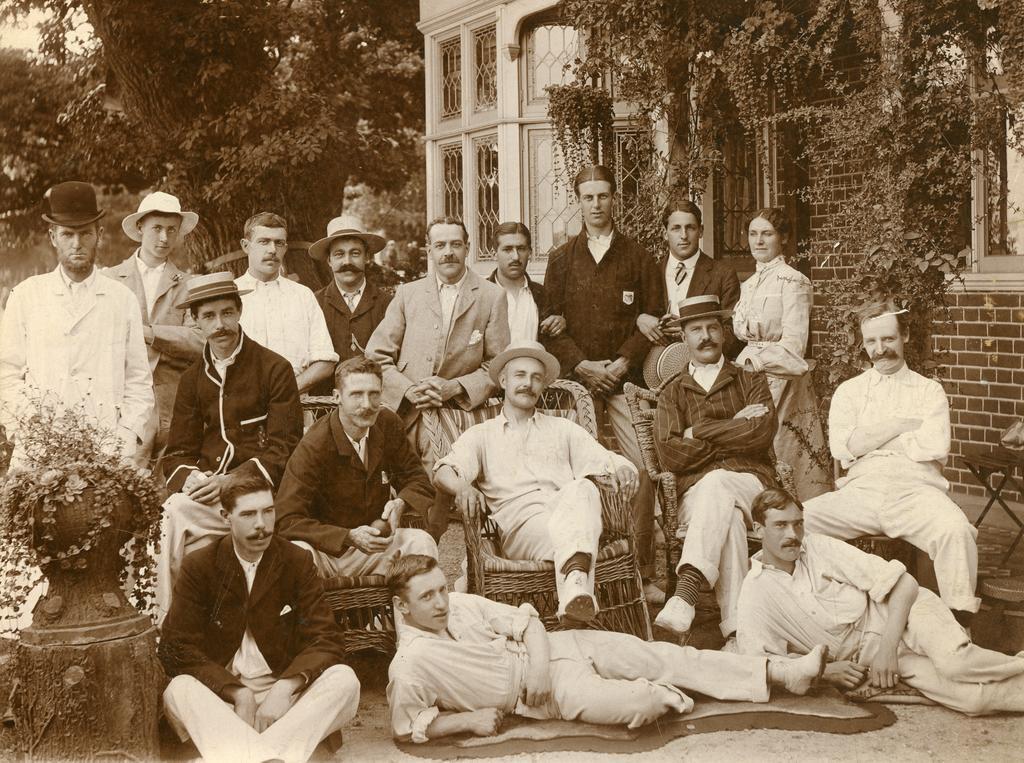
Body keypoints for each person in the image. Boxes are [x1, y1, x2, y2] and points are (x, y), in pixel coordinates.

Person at [385, 554, 827, 743]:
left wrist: (539, 662)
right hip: (544, 696)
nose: (442, 602)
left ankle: (783, 673)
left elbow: (528, 622)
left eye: (442, 589)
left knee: (663, 655)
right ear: (402, 607)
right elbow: (407, 727)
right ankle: (664, 693)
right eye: (427, 597)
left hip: (557, 648)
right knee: (640, 703)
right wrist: (465, 720)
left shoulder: (460, 605)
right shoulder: (412, 665)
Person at [737, 487, 1024, 716]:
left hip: (906, 614)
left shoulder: (818, 548)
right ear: (758, 530)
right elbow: (761, 663)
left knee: (955, 664)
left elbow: (905, 583)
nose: (793, 535)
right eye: (780, 525)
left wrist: (887, 646)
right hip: (875, 658)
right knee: (973, 700)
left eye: (798, 524)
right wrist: (824, 671)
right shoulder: (755, 594)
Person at [159, 471, 358, 762]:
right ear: (226, 517)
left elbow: (327, 639)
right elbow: (175, 648)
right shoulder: (200, 566)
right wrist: (236, 691)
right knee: (178, 691)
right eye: (249, 514)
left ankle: (242, 754)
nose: (262, 525)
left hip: (284, 699)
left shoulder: (296, 561)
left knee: (344, 680)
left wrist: (286, 686)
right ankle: (276, 753)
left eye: (268, 511)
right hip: (224, 700)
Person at [433, 340, 638, 621]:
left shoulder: (564, 428)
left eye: (536, 378)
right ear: (503, 381)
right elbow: (443, 470)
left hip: (569, 516)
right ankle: (576, 587)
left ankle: (575, 588)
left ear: (542, 386)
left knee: (583, 486)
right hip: (523, 530)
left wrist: (624, 469)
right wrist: (462, 487)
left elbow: (607, 461)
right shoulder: (482, 435)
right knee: (580, 506)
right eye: (520, 375)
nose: (527, 384)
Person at [802, 300, 980, 620]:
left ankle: (959, 625)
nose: (880, 349)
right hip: (861, 491)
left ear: (905, 336)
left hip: (915, 490)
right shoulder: (850, 392)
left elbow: (934, 445)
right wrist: (900, 426)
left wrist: (868, 440)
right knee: (798, 522)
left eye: (888, 339)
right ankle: (826, 611)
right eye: (871, 341)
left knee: (956, 530)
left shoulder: (929, 391)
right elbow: (843, 449)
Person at [542, 164, 661, 602]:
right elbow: (550, 325)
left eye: (604, 196)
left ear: (615, 200)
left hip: (623, 381)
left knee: (642, 469)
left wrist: (622, 362)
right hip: (577, 384)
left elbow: (652, 320)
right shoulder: (561, 258)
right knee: (568, 476)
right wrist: (581, 365)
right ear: (578, 201)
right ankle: (573, 572)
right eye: (588, 197)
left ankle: (643, 571)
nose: (596, 204)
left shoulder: (637, 256)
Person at [156, 272, 303, 620]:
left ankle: (165, 622)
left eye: (226, 313)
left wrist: (231, 481)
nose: (220, 325)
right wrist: (192, 479)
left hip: (263, 495)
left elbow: (286, 447)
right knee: (174, 508)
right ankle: (166, 619)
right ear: (195, 321)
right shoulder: (192, 379)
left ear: (239, 312)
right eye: (208, 316)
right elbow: (176, 453)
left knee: (175, 513)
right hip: (210, 499)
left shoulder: (274, 368)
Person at [366, 216, 510, 538]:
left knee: (436, 491)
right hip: (403, 412)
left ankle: (431, 549)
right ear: (429, 250)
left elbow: (497, 367)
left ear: (468, 248)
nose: (448, 253)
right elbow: (376, 356)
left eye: (455, 245)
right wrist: (409, 390)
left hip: (454, 415)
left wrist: (453, 388)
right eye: (440, 245)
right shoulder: (408, 294)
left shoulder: (490, 296)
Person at [0, 181, 153, 465]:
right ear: (52, 236)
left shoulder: (122, 300)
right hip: (39, 450)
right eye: (68, 234)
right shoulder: (26, 295)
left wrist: (124, 437)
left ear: (100, 235)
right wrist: (30, 429)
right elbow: (6, 375)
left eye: (85, 233)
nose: (77, 243)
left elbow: (139, 382)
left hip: (107, 449)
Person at [653, 294, 776, 642]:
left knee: (720, 483)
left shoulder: (749, 379)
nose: (705, 336)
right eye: (696, 330)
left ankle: (687, 590)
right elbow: (670, 455)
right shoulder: (673, 392)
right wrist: (733, 424)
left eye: (712, 327)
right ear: (684, 338)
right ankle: (739, 633)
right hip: (695, 493)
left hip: (753, 487)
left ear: (723, 333)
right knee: (729, 518)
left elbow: (761, 432)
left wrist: (699, 430)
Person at [276, 356, 439, 576]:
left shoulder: (387, 424)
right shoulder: (314, 445)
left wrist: (401, 502)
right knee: (297, 553)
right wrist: (348, 536)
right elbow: (286, 520)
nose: (367, 405)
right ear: (337, 397)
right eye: (356, 395)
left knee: (421, 543)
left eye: (374, 394)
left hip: (375, 550)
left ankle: (409, 611)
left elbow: (418, 479)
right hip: (326, 555)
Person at [732, 207, 830, 498]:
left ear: (783, 238)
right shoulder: (748, 284)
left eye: (767, 234)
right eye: (753, 234)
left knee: (784, 456)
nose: (758, 241)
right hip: (749, 377)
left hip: (782, 381)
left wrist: (756, 362)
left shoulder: (794, 280)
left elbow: (794, 347)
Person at [105, 191, 203, 463]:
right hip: (122, 398)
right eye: (156, 228)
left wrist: (150, 333)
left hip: (173, 400)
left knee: (168, 478)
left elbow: (200, 340)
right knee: (126, 473)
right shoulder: (110, 280)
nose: (164, 238)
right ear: (140, 228)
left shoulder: (189, 284)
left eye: (172, 230)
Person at [235, 212, 339, 394]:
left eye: (279, 243)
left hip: (294, 404)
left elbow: (325, 361)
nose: (272, 250)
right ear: (246, 246)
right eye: (264, 241)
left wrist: (286, 391)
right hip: (240, 403)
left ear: (285, 248)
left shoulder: (302, 295)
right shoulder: (230, 294)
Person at [635, 197, 742, 360]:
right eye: (676, 228)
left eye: (690, 228)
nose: (683, 235)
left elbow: (733, 333)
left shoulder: (723, 274)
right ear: (665, 233)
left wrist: (692, 333)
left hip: (704, 369)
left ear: (701, 231)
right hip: (655, 367)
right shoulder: (650, 273)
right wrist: (639, 319)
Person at [309, 215, 392, 363]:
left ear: (367, 257)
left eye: (355, 253)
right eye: (339, 254)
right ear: (329, 260)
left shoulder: (388, 304)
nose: (347, 261)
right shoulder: (314, 304)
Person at [485, 221, 565, 343]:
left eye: (521, 249)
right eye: (507, 249)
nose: (516, 257)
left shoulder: (543, 295)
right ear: (494, 254)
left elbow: (555, 340)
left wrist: (561, 323)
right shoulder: (481, 294)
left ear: (530, 252)